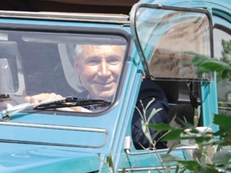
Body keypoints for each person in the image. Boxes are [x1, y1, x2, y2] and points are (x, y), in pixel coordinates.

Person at [30, 41, 170, 145]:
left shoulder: (147, 94)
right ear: (77, 66)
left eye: (113, 61)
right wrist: (47, 111)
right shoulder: (79, 99)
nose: (104, 72)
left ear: (126, 65)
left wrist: (78, 113)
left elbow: (143, 137)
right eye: (93, 61)